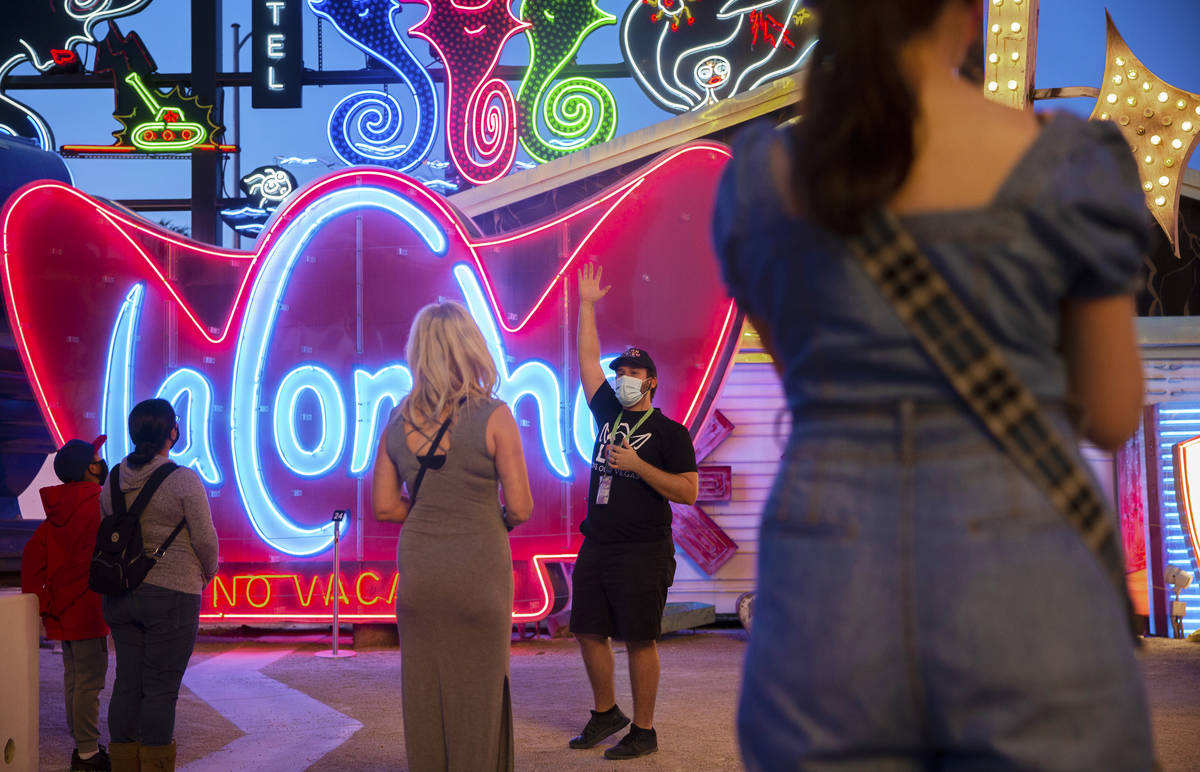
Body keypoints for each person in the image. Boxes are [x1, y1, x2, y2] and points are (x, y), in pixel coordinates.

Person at [712, 0, 1154, 768]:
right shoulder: (1068, 166)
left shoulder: (761, 183)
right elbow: (1113, 413)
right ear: (968, 13)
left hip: (825, 557)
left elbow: (801, 380)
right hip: (1025, 562)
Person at [371, 299, 533, 771]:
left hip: (420, 572)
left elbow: (384, 505)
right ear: (471, 347)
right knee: (479, 695)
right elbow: (520, 506)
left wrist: (431, 514)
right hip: (479, 568)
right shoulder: (494, 415)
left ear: (418, 353)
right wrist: (480, 518)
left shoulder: (396, 421)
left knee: (424, 695)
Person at [569, 263, 699, 760]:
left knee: (640, 640)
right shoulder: (608, 412)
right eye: (620, 371)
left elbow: (687, 492)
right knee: (586, 629)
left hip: (644, 549)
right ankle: (607, 713)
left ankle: (644, 729)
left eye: (633, 373)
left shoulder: (670, 433)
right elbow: (586, 363)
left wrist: (639, 465)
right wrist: (586, 306)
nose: (623, 378)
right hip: (597, 542)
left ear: (652, 383)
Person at [101, 398, 219, 772]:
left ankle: (122, 764)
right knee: (161, 689)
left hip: (120, 593)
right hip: (172, 594)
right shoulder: (183, 479)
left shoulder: (113, 478)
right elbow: (205, 539)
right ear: (172, 432)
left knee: (127, 683)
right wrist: (207, 572)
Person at [22, 435, 112, 771]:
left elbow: (33, 558)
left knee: (74, 677)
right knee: (90, 680)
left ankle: (81, 739)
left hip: (63, 612)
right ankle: (87, 753)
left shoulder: (56, 510)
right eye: (98, 457)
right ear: (90, 467)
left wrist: (44, 602)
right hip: (89, 610)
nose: (101, 462)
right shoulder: (100, 505)